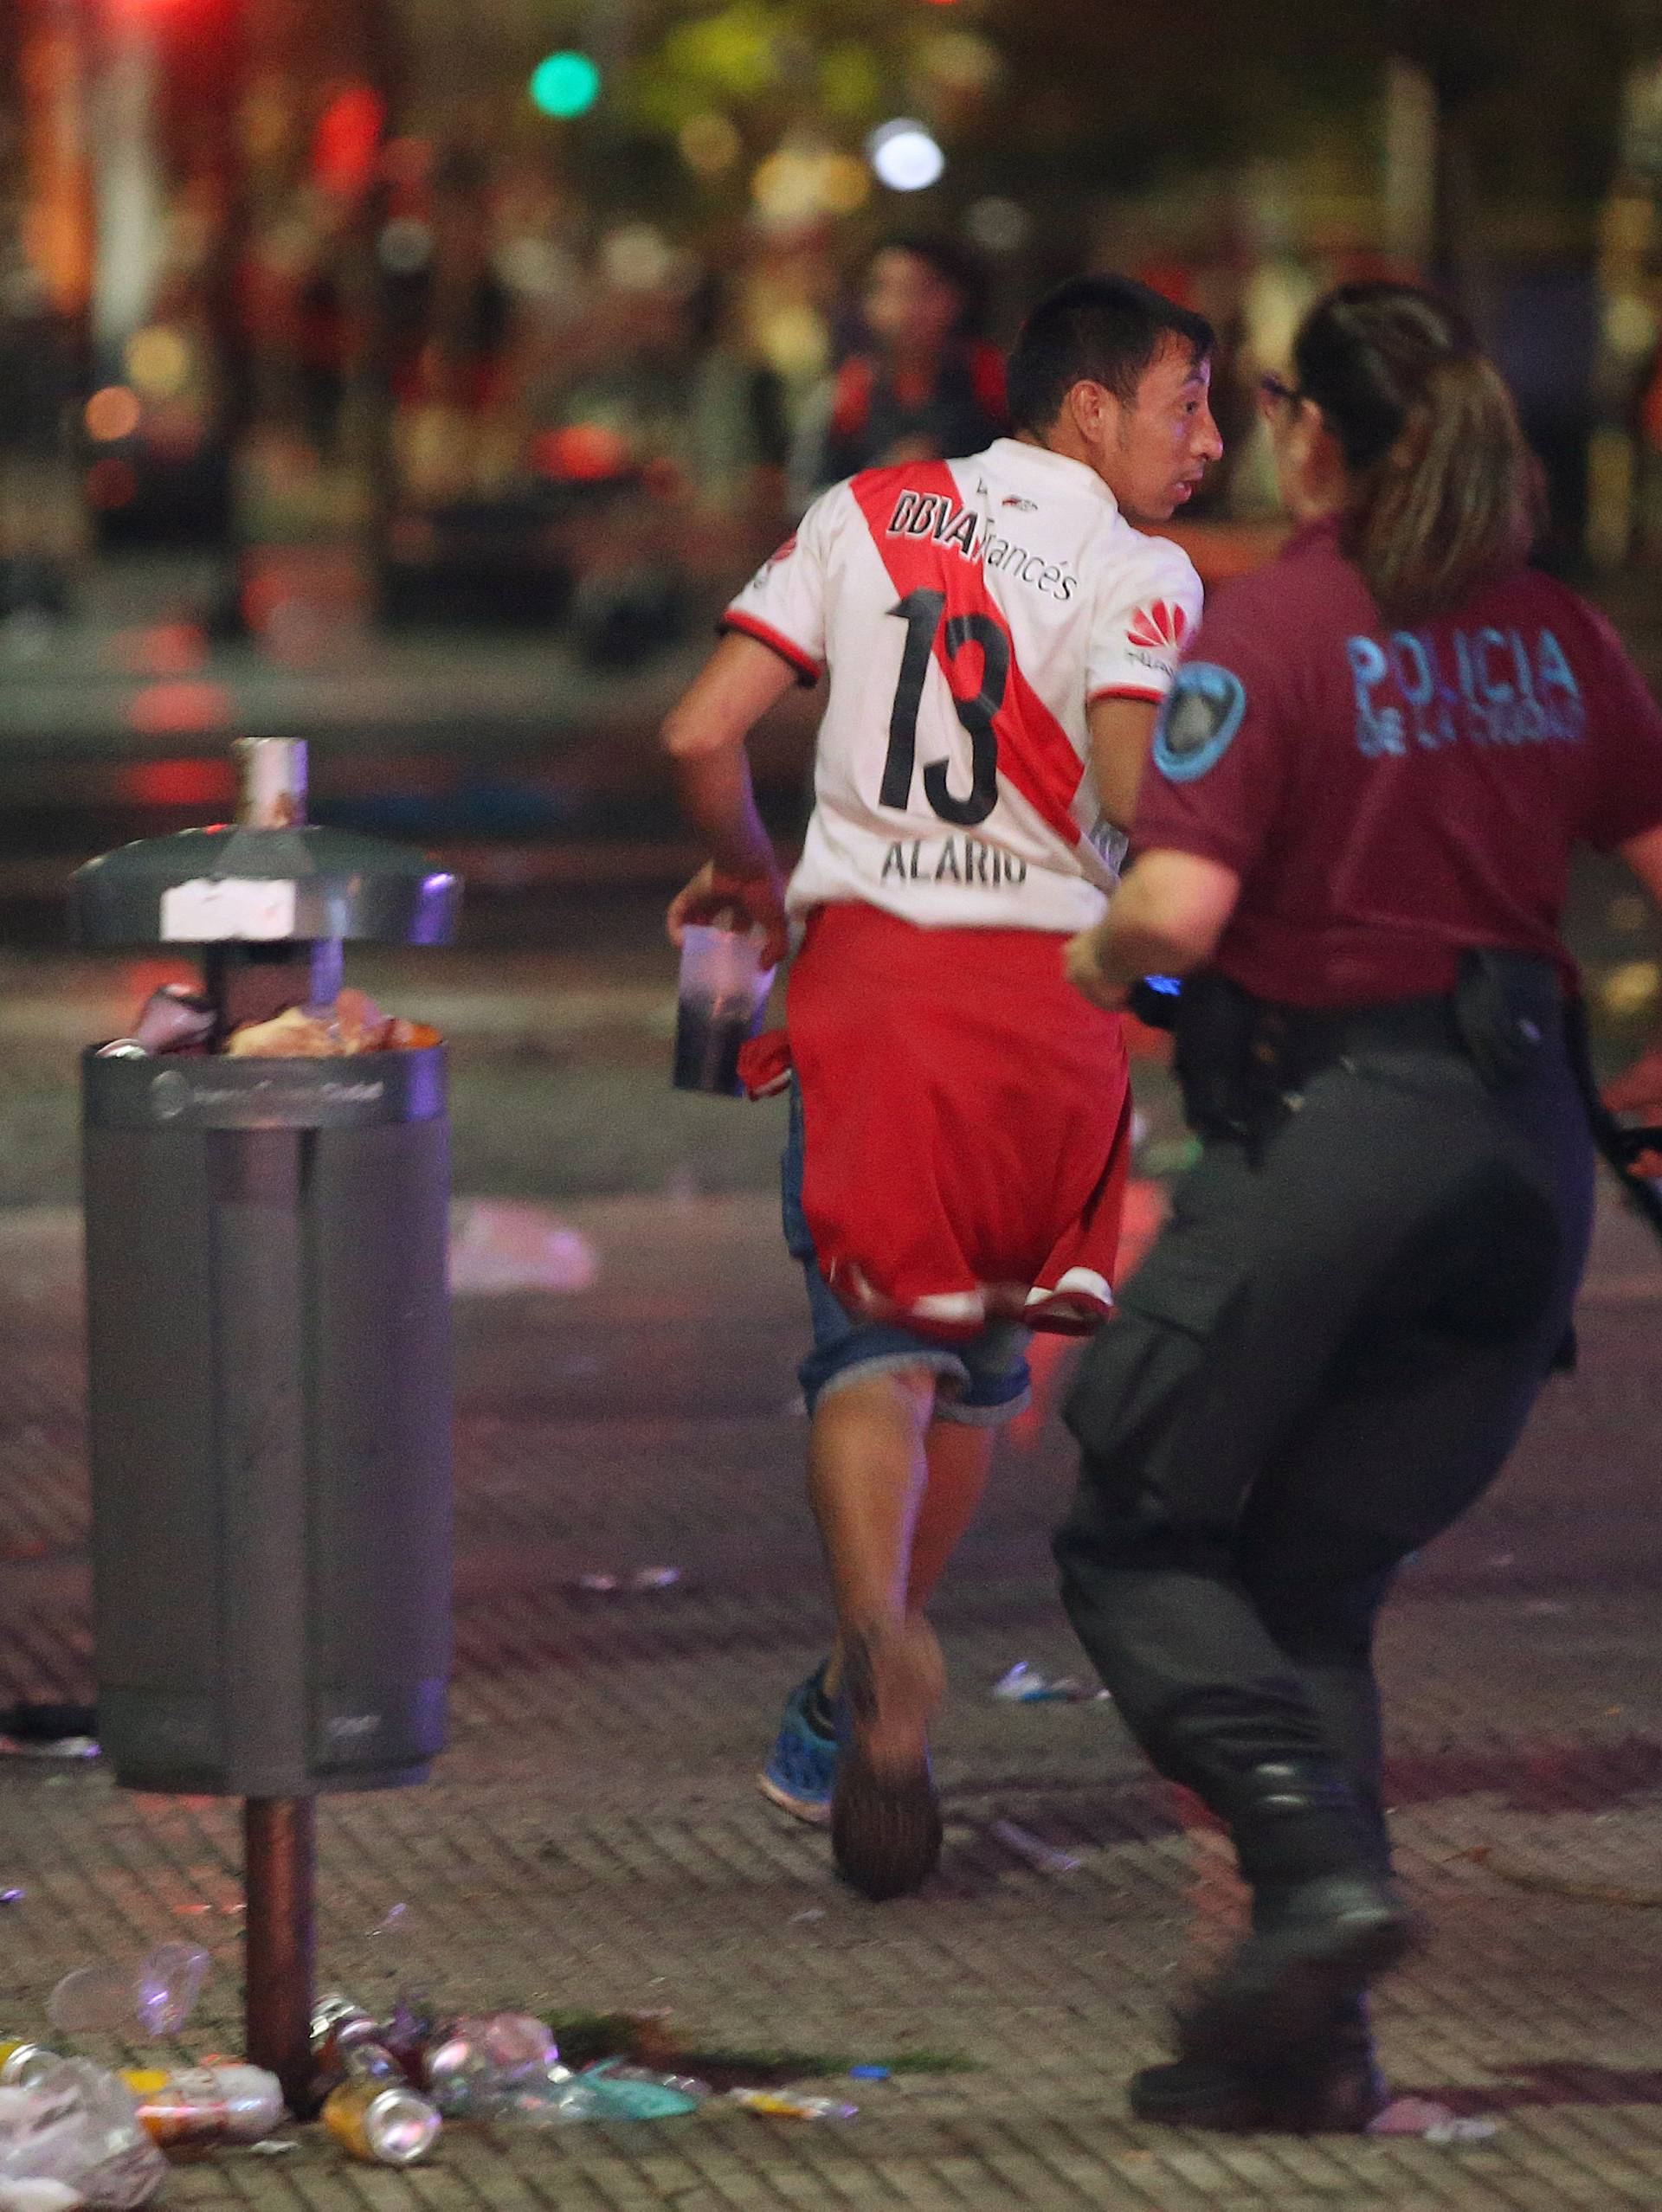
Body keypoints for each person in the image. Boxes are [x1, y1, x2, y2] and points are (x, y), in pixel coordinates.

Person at [1055, 282, 1662, 2130]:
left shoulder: (1284, 627)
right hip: (1525, 1161)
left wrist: (1089, 963)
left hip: (1342, 1131)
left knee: (1138, 1527)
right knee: (1310, 1584)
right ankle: (1310, 2056)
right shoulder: (1561, 638)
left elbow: (1169, 920)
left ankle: (1314, 1873)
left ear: (1316, 435)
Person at [661, 275, 1224, 1899]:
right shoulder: (1140, 573)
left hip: (871, 1000)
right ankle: (863, 1673)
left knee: (867, 1341)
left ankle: (869, 1655)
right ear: (1090, 408)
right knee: (980, 1365)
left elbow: (705, 729)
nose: (1208, 439)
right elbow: (1131, 788)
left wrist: (748, 875)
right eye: (1186, 402)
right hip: (1046, 1018)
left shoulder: (870, 507)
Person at [790, 236, 1008, 507]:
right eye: (888, 291)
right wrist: (883, 478)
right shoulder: (845, 395)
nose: (906, 309)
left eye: (923, 290)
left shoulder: (995, 384)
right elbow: (802, 500)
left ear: (958, 297)